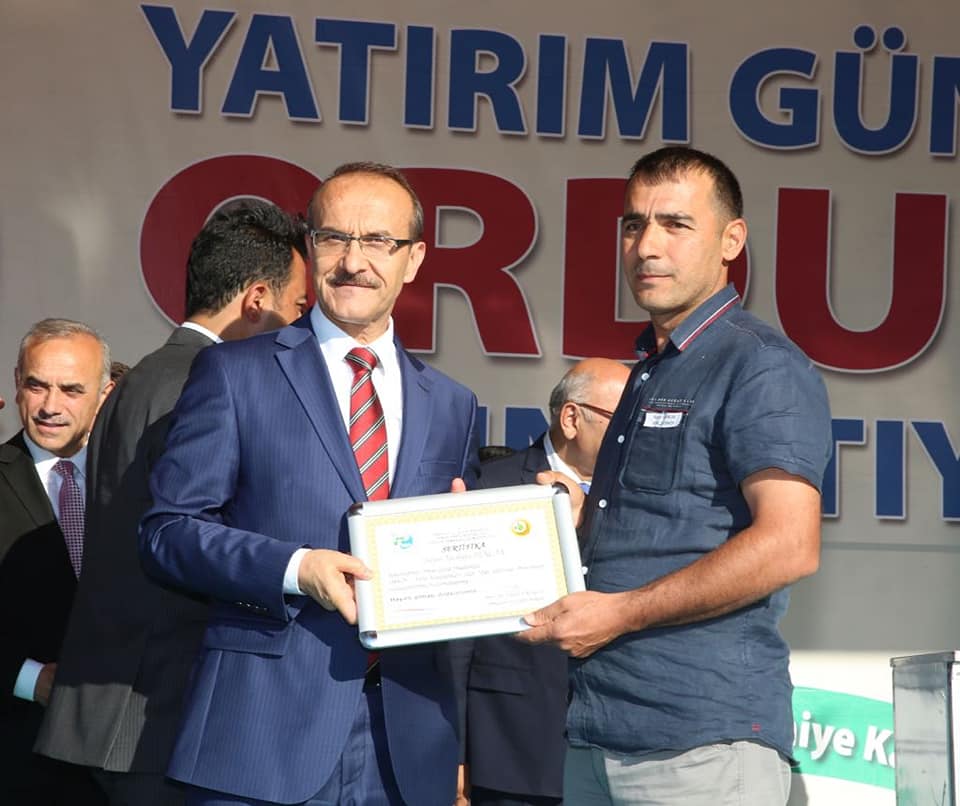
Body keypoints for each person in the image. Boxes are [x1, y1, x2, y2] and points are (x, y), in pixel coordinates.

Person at [139, 162, 479, 806]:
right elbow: (167, 533)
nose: (354, 262)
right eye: (334, 238)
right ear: (309, 246)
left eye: (378, 241)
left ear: (413, 259)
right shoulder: (234, 373)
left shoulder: (452, 404)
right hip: (263, 734)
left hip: (408, 746)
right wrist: (296, 569)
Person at [520, 146, 833, 805]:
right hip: (598, 731)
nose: (647, 246)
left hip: (698, 744)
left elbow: (790, 544)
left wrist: (621, 614)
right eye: (634, 225)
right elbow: (666, 530)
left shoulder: (760, 364)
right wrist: (563, 522)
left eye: (675, 224)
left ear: (731, 241)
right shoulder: (647, 372)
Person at [36, 201, 309, 805]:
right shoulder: (204, 382)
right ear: (257, 299)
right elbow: (184, 540)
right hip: (154, 708)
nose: (299, 326)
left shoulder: (146, 375)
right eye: (297, 307)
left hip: (121, 706)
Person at [452, 358, 629, 806]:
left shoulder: (642, 495)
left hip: (622, 753)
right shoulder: (493, 486)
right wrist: (453, 749)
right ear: (571, 418)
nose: (633, 433)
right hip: (511, 750)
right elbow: (458, 635)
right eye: (622, 418)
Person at [0, 318, 114, 804]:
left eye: (71, 390)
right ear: (16, 383)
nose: (50, 406)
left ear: (105, 395)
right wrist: (31, 679)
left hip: (126, 760)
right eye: (36, 385)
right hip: (20, 755)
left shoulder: (140, 484)